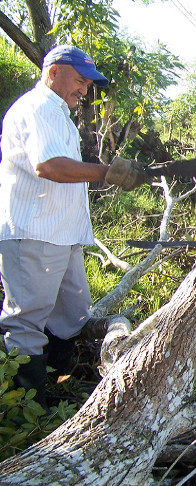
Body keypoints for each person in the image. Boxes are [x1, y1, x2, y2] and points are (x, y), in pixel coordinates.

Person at [0, 45, 147, 408]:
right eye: (79, 80)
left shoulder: (58, 113)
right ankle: (28, 409)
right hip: (34, 232)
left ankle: (59, 383)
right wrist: (107, 172)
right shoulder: (38, 108)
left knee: (72, 315)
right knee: (25, 323)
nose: (84, 89)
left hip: (61, 235)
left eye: (86, 83)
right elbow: (48, 166)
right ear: (53, 72)